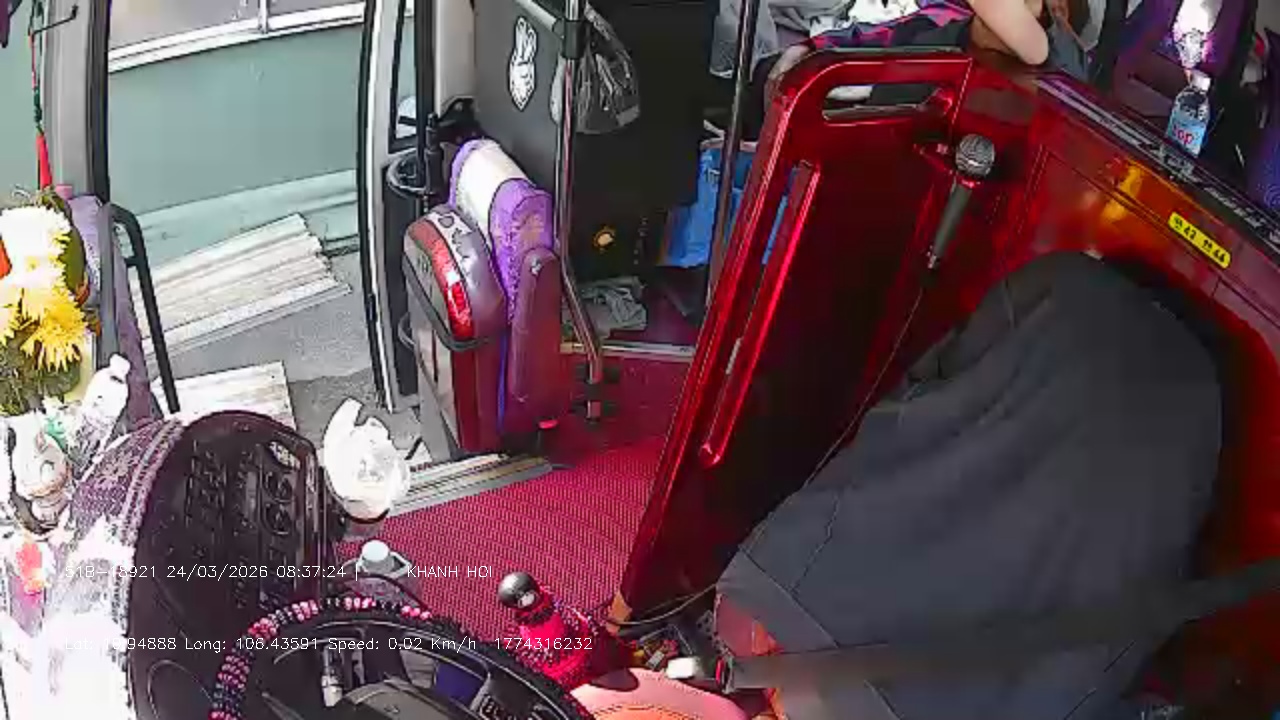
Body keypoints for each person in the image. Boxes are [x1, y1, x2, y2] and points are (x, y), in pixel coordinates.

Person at [735, 0, 1091, 137]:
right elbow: (879, 36)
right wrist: (813, 48)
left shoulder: (1064, 73)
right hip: (864, 115)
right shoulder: (942, 25)